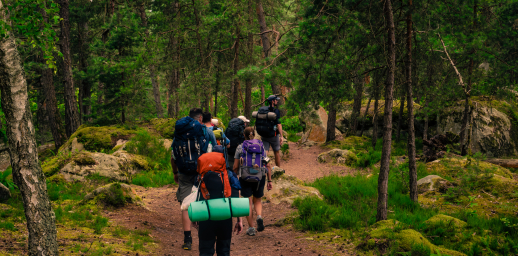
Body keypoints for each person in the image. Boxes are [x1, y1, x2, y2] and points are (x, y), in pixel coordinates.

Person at [171, 108, 217, 251]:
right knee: (204, 200)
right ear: (201, 119)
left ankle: (187, 239)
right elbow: (214, 150)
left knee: (185, 204)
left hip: (183, 172)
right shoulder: (206, 131)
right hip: (202, 171)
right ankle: (204, 235)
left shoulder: (179, 133)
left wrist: (175, 173)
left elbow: (173, 156)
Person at [197, 145, 243, 256]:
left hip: (205, 216)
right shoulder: (230, 175)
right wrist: (239, 220)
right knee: (224, 251)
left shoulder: (201, 175)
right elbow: (235, 197)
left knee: (205, 251)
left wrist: (196, 217)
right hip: (225, 216)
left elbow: (197, 196)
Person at [233, 127, 273, 236]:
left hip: (245, 177)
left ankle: (251, 228)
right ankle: (259, 216)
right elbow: (267, 164)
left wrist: (234, 177)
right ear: (254, 134)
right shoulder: (261, 147)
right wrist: (269, 180)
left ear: (244, 135)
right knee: (258, 200)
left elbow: (235, 166)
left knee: (248, 203)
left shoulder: (240, 147)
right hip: (260, 176)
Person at [258, 95, 283, 167]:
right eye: (276, 100)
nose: (277, 101)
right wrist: (281, 136)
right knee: (276, 152)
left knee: (265, 152)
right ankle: (278, 169)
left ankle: (263, 169)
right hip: (273, 135)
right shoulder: (276, 111)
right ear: (273, 101)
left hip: (264, 135)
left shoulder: (263, 110)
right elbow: (279, 124)